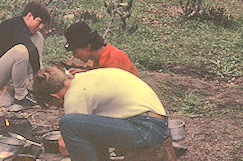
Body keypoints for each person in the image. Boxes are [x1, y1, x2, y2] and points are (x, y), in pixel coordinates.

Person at [32, 66, 169, 161]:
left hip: (145, 128)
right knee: (88, 126)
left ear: (54, 96)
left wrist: (65, 140)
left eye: (53, 105)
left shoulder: (74, 96)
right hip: (153, 123)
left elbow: (70, 134)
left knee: (68, 124)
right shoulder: (83, 79)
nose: (58, 107)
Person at [0, 1, 51, 107]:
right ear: (29, 16)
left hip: (0, 71)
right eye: (39, 22)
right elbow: (31, 51)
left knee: (37, 36)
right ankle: (20, 96)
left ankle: (32, 85)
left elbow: (34, 54)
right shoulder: (15, 27)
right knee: (21, 51)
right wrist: (39, 74)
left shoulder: (23, 27)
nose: (41, 26)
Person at [63, 21, 138, 76]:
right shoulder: (97, 59)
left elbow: (107, 87)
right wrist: (84, 74)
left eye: (75, 51)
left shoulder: (113, 59)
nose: (74, 56)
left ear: (88, 46)